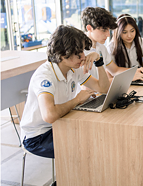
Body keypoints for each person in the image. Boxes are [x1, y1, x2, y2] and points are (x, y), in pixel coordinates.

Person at [20, 25, 110, 160]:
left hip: (60, 123)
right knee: (86, 148)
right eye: (78, 53)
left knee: (98, 135)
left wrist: (99, 60)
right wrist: (77, 100)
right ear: (62, 54)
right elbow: (49, 116)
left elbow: (103, 88)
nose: (83, 57)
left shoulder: (74, 68)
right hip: (38, 136)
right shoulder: (45, 76)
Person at [81, 7, 143, 82]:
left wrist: (135, 72)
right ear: (89, 28)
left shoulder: (101, 48)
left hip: (101, 92)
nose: (108, 35)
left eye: (108, 30)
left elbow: (115, 70)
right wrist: (128, 77)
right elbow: (89, 86)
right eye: (104, 30)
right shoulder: (80, 51)